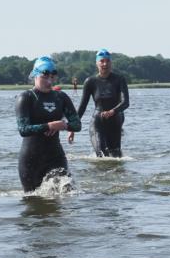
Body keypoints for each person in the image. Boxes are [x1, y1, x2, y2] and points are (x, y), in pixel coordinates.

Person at [15, 56, 80, 192]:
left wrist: (64, 125)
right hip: (31, 160)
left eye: (52, 77)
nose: (49, 81)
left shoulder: (60, 97)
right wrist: (49, 126)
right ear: (35, 75)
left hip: (55, 157)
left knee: (67, 192)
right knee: (33, 203)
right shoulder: (26, 97)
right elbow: (23, 129)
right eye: (45, 77)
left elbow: (77, 125)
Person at [70, 49, 130, 157]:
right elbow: (82, 106)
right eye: (102, 61)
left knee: (116, 156)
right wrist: (73, 127)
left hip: (115, 121)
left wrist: (113, 111)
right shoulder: (90, 81)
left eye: (107, 61)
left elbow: (125, 102)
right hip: (98, 121)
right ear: (97, 63)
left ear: (111, 63)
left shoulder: (119, 79)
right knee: (101, 155)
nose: (105, 64)